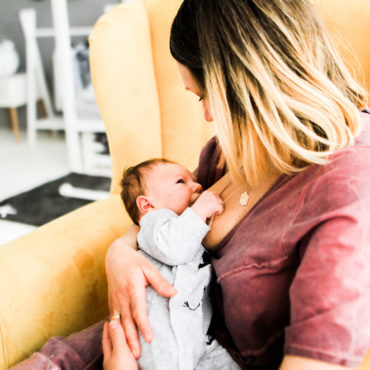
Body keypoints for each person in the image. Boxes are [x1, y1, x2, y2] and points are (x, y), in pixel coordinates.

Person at [12, 0, 370, 369]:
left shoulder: (349, 185)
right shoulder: (229, 153)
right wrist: (119, 254)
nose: (208, 115)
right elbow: (162, 223)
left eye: (203, 94)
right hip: (131, 342)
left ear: (251, 76)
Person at [116, 157, 240, 369]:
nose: (198, 185)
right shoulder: (154, 223)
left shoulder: (186, 226)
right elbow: (174, 248)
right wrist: (200, 210)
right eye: (181, 182)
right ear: (147, 205)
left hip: (197, 335)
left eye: (193, 180)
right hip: (158, 331)